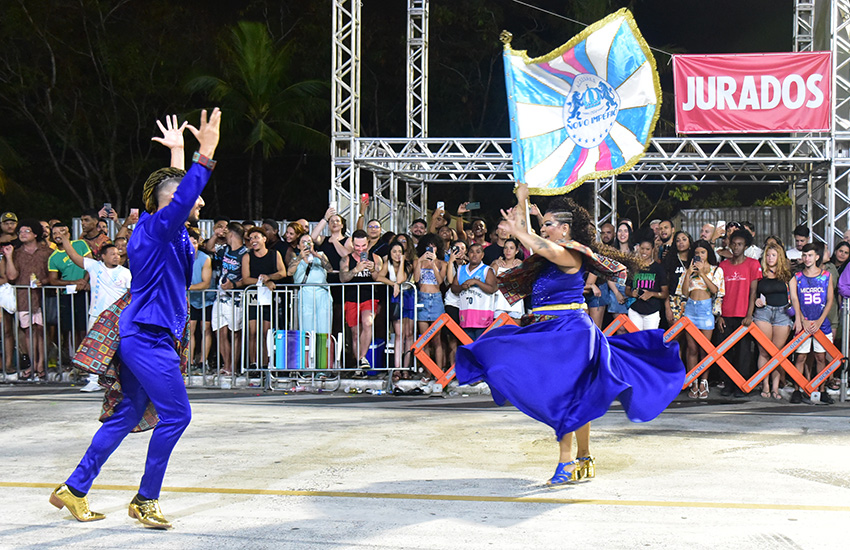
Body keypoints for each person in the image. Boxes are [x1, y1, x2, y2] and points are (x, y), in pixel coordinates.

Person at [49, 108, 221, 529]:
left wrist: (178, 153)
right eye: (193, 197)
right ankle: (145, 499)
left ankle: (73, 489)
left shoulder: (161, 228)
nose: (200, 201)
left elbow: (175, 192)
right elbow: (181, 196)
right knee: (178, 416)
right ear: (172, 203)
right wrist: (206, 153)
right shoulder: (161, 227)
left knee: (128, 413)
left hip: (144, 335)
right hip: (148, 338)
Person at [455, 186, 684, 486]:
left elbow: (539, 243)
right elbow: (534, 239)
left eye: (549, 224)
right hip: (550, 331)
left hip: (571, 333)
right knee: (575, 395)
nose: (543, 228)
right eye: (543, 224)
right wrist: (522, 198)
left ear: (564, 228)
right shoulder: (549, 257)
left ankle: (566, 463)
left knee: (563, 394)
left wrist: (521, 229)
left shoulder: (572, 254)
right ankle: (584, 458)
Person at [1, 219, 53, 379]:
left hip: (42, 296)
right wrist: (9, 257)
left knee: (41, 330)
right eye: (21, 232)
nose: (22, 234)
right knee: (28, 331)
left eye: (26, 231)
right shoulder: (16, 252)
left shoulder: (47, 252)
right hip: (23, 297)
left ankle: (40, 364)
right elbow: (11, 276)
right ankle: (32, 363)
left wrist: (42, 282)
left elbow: (53, 274)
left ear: (35, 234)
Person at [47, 224, 94, 390]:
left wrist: (85, 281)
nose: (58, 235)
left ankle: (88, 361)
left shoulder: (80, 245)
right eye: (55, 233)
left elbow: (92, 264)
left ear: (68, 232)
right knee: (70, 330)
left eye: (62, 232)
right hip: (67, 295)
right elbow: (53, 280)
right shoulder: (53, 257)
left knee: (85, 327)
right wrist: (74, 282)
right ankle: (76, 361)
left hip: (85, 293)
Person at [678, 240, 724, 399]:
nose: (699, 256)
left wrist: (703, 274)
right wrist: (689, 273)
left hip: (705, 311)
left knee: (706, 349)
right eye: (696, 253)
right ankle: (693, 381)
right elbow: (684, 293)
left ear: (708, 254)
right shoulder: (688, 271)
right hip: (691, 309)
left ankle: (704, 381)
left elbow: (715, 291)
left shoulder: (716, 270)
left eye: (702, 252)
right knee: (692, 349)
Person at [717, 229, 762, 396]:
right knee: (725, 351)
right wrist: (719, 315)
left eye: (740, 244)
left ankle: (740, 385)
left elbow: (753, 292)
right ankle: (727, 384)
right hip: (726, 315)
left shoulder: (753, 264)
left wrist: (749, 314)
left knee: (743, 353)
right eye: (734, 244)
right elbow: (718, 293)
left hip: (743, 316)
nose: (736, 247)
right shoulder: (723, 266)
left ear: (746, 246)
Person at [789, 243, 834, 405]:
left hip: (821, 323)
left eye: (810, 255)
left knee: (821, 357)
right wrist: (802, 321)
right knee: (801, 356)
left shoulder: (826, 276)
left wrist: (820, 320)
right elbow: (795, 301)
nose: (807, 258)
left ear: (817, 257)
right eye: (804, 255)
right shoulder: (797, 278)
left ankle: (822, 390)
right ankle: (797, 389)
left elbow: (830, 300)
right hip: (804, 324)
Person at [242, 227, 286, 369]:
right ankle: (254, 363)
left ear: (264, 239)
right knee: (253, 332)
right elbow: (245, 279)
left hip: (269, 298)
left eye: (256, 237)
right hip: (254, 297)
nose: (253, 241)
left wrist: (270, 278)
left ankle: (267, 362)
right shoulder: (247, 256)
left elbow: (282, 272)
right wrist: (263, 281)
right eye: (251, 238)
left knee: (266, 332)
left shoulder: (274, 254)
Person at [752, 243, 793, 400]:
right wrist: (756, 300)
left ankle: (775, 387)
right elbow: (752, 293)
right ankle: (765, 384)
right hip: (764, 312)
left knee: (777, 353)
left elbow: (794, 296)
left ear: (779, 257)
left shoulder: (787, 275)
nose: (770, 258)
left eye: (773, 255)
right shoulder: (760, 274)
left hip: (783, 313)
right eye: (768, 255)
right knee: (764, 350)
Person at [340, 229, 383, 374]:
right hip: (351, 298)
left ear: (368, 244)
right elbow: (343, 278)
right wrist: (355, 270)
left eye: (363, 246)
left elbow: (378, 278)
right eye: (357, 246)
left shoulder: (376, 258)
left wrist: (372, 270)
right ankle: (359, 362)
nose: (360, 249)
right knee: (355, 333)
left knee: (368, 322)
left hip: (369, 296)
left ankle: (362, 357)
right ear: (352, 244)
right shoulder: (346, 259)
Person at [374, 241, 415, 373]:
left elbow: (401, 279)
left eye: (399, 251)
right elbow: (379, 277)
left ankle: (406, 368)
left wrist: (402, 262)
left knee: (409, 334)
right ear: (390, 254)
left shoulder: (408, 265)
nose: (397, 255)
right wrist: (393, 284)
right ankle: (397, 368)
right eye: (394, 252)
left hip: (409, 296)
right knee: (399, 334)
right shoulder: (388, 265)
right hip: (397, 297)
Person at [212, 222, 248, 375]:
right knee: (219, 331)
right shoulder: (225, 249)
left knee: (235, 333)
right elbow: (209, 248)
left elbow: (247, 278)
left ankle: (233, 367)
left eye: (226, 233)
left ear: (232, 234)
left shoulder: (245, 252)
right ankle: (226, 366)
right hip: (220, 297)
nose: (224, 235)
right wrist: (216, 234)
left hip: (236, 299)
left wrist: (234, 285)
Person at [452, 242, 497, 341]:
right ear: (467, 254)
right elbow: (453, 288)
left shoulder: (487, 270)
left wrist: (476, 282)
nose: (474, 254)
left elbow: (492, 289)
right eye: (471, 252)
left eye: (478, 252)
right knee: (468, 347)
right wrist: (461, 287)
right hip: (466, 316)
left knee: (481, 348)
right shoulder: (461, 269)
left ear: (482, 255)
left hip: (483, 316)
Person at [288, 233, 333, 334]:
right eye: (303, 242)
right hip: (305, 292)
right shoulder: (295, 259)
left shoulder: (320, 255)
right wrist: (300, 257)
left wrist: (316, 255)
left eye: (309, 242)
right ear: (299, 246)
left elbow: (329, 269)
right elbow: (289, 272)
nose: (306, 244)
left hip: (322, 292)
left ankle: (323, 348)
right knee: (306, 325)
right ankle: (308, 348)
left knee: (324, 325)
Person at [415, 234, 447, 367]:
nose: (431, 248)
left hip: (436, 299)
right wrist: (420, 260)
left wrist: (433, 263)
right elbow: (416, 279)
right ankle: (428, 371)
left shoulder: (442, 263)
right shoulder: (418, 261)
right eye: (429, 245)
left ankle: (438, 371)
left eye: (434, 246)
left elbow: (440, 281)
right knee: (424, 339)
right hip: (422, 298)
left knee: (437, 339)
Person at [187, 227, 215, 372]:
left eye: (195, 243)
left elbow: (206, 283)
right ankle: (189, 361)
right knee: (190, 329)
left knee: (206, 329)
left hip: (206, 299)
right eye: (189, 243)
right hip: (190, 300)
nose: (193, 246)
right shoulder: (180, 258)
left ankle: (203, 361)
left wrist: (186, 287)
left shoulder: (205, 258)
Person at [627, 236, 668, 330]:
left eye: (647, 249)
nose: (644, 252)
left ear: (653, 250)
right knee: (636, 340)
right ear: (638, 248)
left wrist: (651, 294)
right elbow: (627, 290)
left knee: (649, 341)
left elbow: (665, 293)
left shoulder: (658, 268)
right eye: (642, 248)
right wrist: (632, 293)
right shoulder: (634, 267)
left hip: (652, 311)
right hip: (635, 310)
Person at [663, 231, 693, 326]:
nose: (681, 242)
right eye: (678, 240)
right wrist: (667, 307)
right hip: (674, 300)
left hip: (692, 300)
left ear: (690, 242)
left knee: (691, 333)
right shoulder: (670, 260)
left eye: (684, 239)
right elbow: (664, 284)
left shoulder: (694, 260)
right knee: (675, 333)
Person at [491, 238, 524, 320]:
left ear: (517, 251)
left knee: (514, 332)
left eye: (511, 248)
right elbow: (489, 282)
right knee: (500, 332)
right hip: (499, 304)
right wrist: (494, 262)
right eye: (506, 248)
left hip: (516, 305)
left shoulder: (520, 266)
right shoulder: (497, 265)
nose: (508, 250)